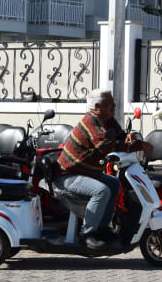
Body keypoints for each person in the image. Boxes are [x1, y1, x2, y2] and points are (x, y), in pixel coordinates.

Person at [56, 89, 150, 249]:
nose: (114, 107)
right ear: (98, 107)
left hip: (86, 172)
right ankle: (87, 234)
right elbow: (104, 145)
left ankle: (102, 228)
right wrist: (134, 146)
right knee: (101, 191)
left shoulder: (107, 120)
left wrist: (128, 137)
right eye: (110, 104)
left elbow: (119, 135)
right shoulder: (91, 122)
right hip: (67, 176)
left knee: (114, 184)